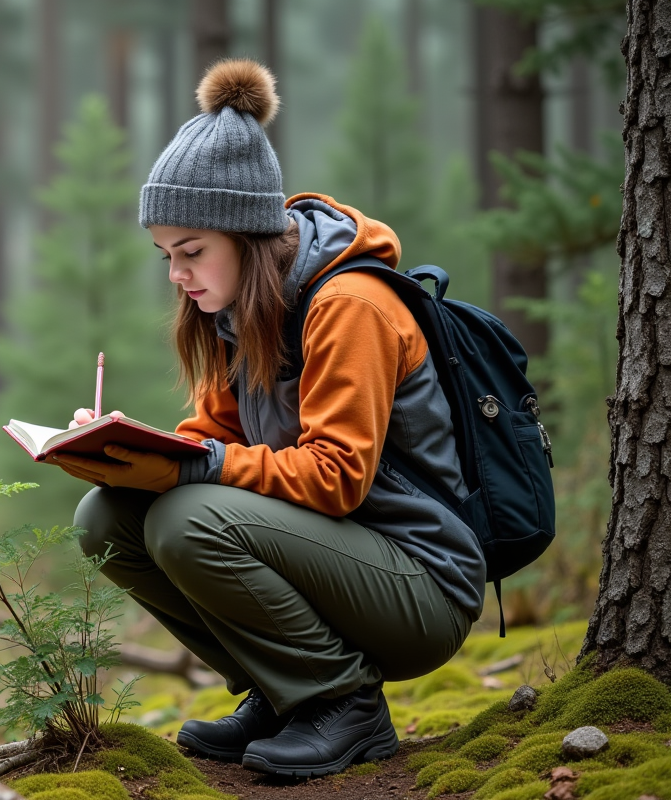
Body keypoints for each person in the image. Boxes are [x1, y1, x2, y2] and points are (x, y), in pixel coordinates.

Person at [50, 58, 485, 778]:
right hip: (335, 564)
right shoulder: (241, 313)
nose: (176, 276)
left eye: (191, 252)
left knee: (187, 521)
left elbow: (337, 478)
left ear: (247, 235)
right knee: (106, 517)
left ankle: (343, 704)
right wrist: (122, 449)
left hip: (420, 585)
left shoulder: (350, 307)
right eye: (164, 254)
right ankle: (284, 692)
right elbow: (215, 437)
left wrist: (195, 467)